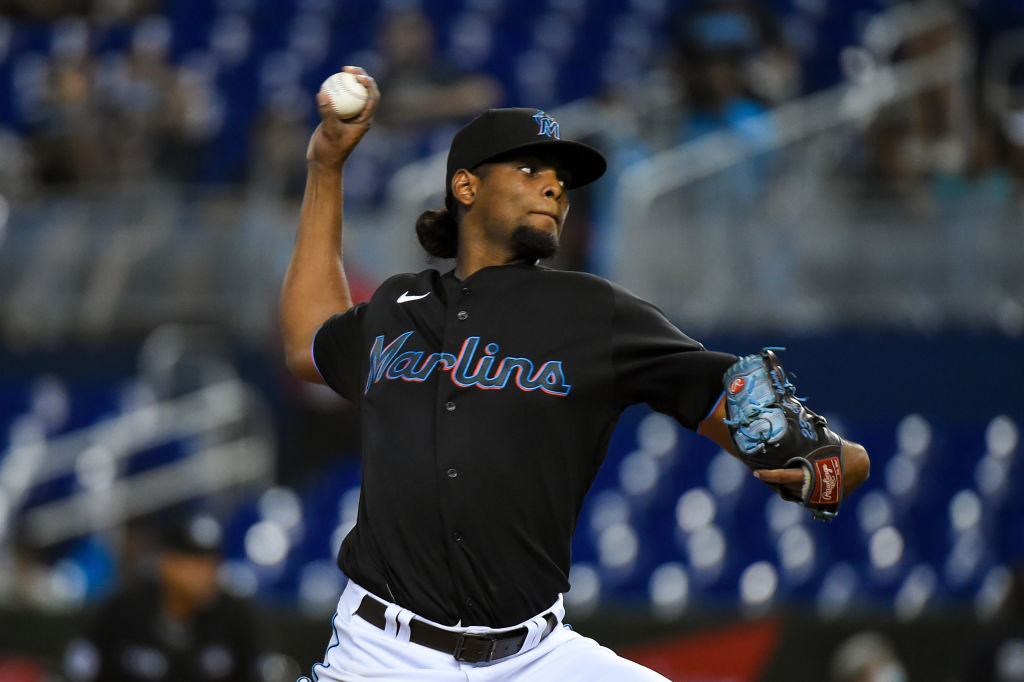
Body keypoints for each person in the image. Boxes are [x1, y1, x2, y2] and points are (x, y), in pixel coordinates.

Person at [281, 66, 870, 681]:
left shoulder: (594, 313)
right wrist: (326, 168)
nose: (554, 189)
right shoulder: (398, 308)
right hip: (382, 655)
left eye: (562, 180)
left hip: (535, 657)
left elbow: (725, 398)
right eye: (530, 170)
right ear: (465, 186)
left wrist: (829, 461)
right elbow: (306, 345)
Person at [63, 515, 263, 682]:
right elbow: (81, 670)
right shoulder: (122, 613)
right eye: (194, 562)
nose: (205, 574)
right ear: (166, 563)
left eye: (210, 562)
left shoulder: (234, 617)